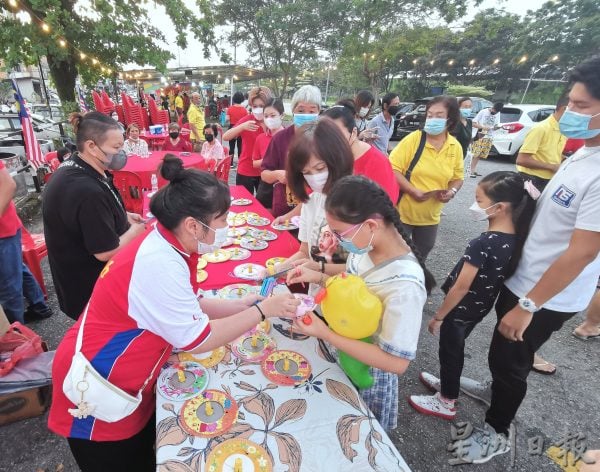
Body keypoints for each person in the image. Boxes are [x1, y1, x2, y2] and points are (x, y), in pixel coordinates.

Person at [47, 155, 300, 472]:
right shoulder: (160, 262)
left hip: (127, 374)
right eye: (222, 221)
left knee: (141, 452)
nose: (226, 227)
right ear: (194, 225)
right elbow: (198, 339)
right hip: (99, 377)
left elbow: (192, 302)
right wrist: (263, 310)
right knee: (120, 461)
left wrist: (243, 305)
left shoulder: (171, 244)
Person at [446, 55, 600, 465]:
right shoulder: (584, 152)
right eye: (569, 102)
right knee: (501, 351)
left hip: (545, 295)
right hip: (525, 278)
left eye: (582, 107)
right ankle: (491, 391)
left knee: (513, 362)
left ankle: (496, 431)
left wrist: (530, 305)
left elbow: (584, 249)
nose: (569, 113)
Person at [287, 175, 435, 431]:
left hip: (368, 373)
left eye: (338, 233)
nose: (335, 240)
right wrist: (320, 272)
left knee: (352, 433)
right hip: (344, 350)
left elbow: (395, 363)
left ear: (370, 225)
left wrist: (324, 333)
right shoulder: (369, 246)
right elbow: (354, 273)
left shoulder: (405, 287)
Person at [408, 171, 537, 420]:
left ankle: (447, 400)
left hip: (459, 309)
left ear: (498, 207)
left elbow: (461, 287)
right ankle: (448, 384)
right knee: (455, 348)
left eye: (479, 201)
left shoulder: (484, 242)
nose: (475, 206)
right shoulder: (515, 240)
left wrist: (439, 316)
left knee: (450, 352)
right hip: (479, 308)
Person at [43, 112, 146, 320]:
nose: (121, 153)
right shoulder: (85, 190)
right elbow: (105, 252)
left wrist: (123, 215)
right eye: (116, 148)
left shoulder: (78, 166)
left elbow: (88, 214)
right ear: (91, 146)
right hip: (89, 288)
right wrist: (135, 232)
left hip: (78, 280)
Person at [278, 118, 355, 297]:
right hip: (318, 297)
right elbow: (305, 251)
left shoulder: (356, 202)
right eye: (306, 173)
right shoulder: (312, 200)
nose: (314, 178)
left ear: (338, 159)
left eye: (320, 168)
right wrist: (276, 270)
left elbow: (360, 268)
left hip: (351, 301)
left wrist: (319, 270)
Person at [390, 96, 464, 260]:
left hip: (431, 215)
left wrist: (451, 191)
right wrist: (412, 190)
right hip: (403, 212)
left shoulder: (455, 146)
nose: (432, 120)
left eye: (439, 115)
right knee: (396, 256)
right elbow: (393, 169)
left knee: (421, 255)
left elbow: (458, 177)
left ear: (450, 119)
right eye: (430, 115)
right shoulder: (414, 139)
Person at [0, 162, 52, 323]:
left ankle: (16, 335)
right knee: (17, 270)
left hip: (4, 230)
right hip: (7, 228)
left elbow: (8, 185)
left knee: (8, 286)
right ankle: (39, 307)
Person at [261, 85, 321, 218]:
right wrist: (277, 174)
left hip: (315, 210)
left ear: (319, 112)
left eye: (312, 111)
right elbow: (264, 174)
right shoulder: (280, 138)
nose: (306, 115)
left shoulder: (324, 139)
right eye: (301, 110)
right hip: (284, 208)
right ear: (293, 110)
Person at [324, 101, 399, 203]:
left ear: (354, 133)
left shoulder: (377, 163)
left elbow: (386, 207)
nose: (330, 139)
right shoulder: (325, 157)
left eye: (336, 133)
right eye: (324, 134)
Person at [223, 86, 272, 195]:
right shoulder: (247, 120)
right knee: (244, 203)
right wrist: (242, 127)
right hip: (245, 170)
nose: (258, 109)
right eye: (255, 106)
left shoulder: (273, 122)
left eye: (262, 106)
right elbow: (226, 137)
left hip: (266, 172)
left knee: (265, 207)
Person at [515, 94, 569, 191]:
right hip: (531, 179)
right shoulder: (541, 128)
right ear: (565, 109)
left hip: (549, 179)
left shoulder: (563, 129)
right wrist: (551, 167)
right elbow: (522, 160)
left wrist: (565, 160)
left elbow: (549, 153)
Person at [252, 98, 285, 210]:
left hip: (286, 187)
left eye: (273, 115)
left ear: (282, 115)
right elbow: (255, 163)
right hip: (266, 187)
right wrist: (269, 159)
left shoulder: (290, 137)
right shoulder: (260, 138)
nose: (269, 119)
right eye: (266, 116)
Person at [471, 102, 504, 177]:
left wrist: (497, 127)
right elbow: (473, 123)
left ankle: (473, 169)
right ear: (492, 108)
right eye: (494, 111)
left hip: (489, 136)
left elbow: (495, 126)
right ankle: (470, 171)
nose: (494, 113)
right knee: (475, 154)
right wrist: (483, 127)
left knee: (480, 155)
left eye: (496, 112)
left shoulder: (498, 114)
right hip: (480, 135)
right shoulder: (483, 111)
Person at [226, 91, 249, 167]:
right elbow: (246, 120)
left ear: (234, 99)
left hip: (232, 128)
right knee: (240, 146)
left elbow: (227, 119)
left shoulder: (230, 109)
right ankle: (240, 162)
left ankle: (230, 163)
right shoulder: (244, 110)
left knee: (231, 147)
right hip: (241, 129)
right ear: (242, 99)